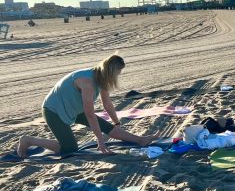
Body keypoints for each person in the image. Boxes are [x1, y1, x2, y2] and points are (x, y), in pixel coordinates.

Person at [16, 54, 158, 157]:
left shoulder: (101, 78)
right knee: (70, 148)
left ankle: (141, 140)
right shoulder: (88, 81)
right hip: (54, 110)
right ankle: (28, 140)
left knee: (108, 127)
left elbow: (107, 104)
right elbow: (90, 114)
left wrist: (116, 122)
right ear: (112, 72)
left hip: (74, 109)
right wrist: (100, 141)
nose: (119, 76)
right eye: (119, 73)